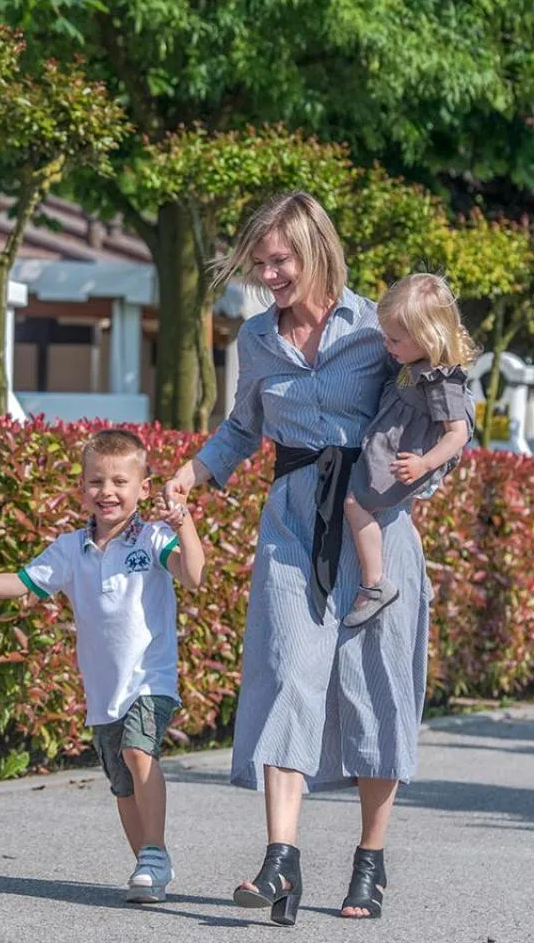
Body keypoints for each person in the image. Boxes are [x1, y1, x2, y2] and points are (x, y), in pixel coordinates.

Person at [162, 190, 429, 925]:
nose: (270, 276)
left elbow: (440, 402)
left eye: (280, 261)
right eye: (260, 264)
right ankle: (282, 858)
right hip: (290, 521)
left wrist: (420, 469)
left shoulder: (378, 328)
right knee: (285, 671)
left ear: (316, 251)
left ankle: (369, 860)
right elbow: (242, 429)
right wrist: (195, 472)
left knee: (377, 688)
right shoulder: (255, 341)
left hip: (373, 522)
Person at [0, 428, 205, 904]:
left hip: (150, 677)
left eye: (120, 482)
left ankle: (153, 851)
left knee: (138, 751)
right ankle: (150, 868)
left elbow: (194, 573)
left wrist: (183, 521)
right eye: (96, 482)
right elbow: (24, 582)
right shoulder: (69, 548)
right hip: (104, 692)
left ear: (143, 488)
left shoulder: (154, 537)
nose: (108, 492)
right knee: (122, 783)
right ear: (82, 488)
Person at [341, 274, 477, 628]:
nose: (387, 344)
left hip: (404, 459)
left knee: (355, 503)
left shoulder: (440, 378)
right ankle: (415, 576)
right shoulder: (412, 364)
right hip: (395, 452)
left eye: (395, 339)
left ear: (427, 337)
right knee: (403, 519)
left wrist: (424, 464)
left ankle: (374, 584)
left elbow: (457, 433)